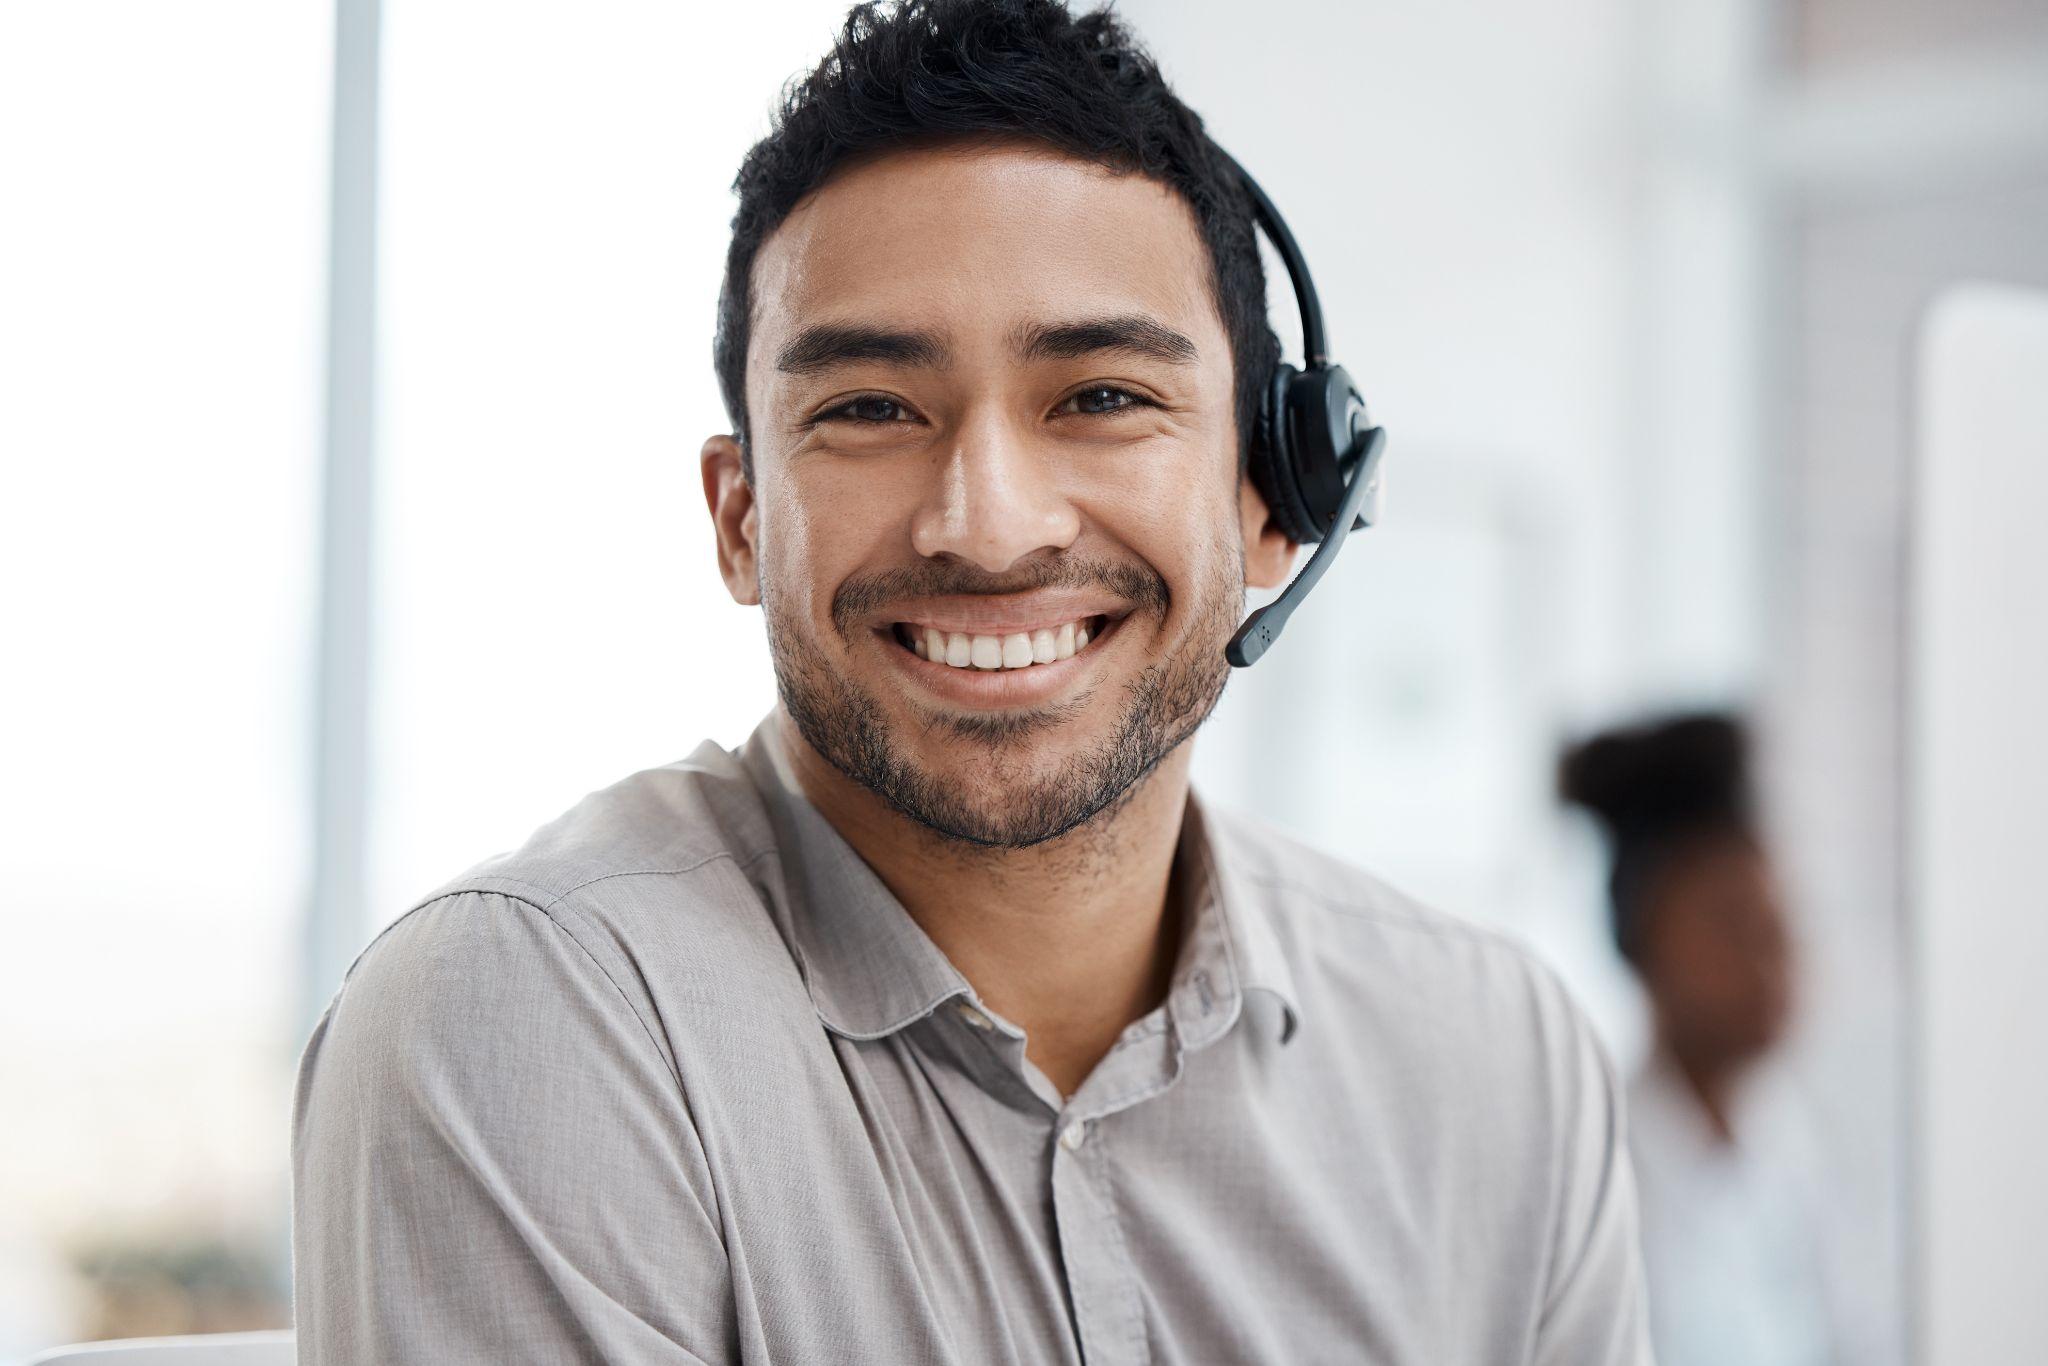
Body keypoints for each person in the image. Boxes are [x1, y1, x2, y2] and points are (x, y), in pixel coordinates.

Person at [291, 2, 1652, 1361]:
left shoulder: (1498, 1062)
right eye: (871, 408)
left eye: (1103, 396)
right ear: (741, 519)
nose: (988, 524)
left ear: (1276, 492)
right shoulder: (539, 1019)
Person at [1560, 713, 1841, 1366]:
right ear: (1642, 939)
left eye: (1777, 922)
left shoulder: (1795, 1146)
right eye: (1731, 923)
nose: (1773, 957)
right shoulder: (1598, 1171)